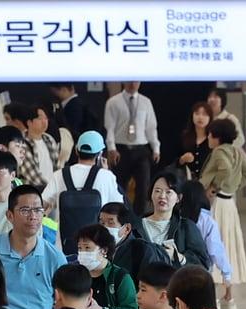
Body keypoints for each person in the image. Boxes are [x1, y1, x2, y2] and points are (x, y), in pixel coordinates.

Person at [41, 131, 124, 238]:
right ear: (99, 155)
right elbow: (120, 207)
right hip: (97, 243)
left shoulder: (59, 174)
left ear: (76, 151)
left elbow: (42, 203)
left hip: (64, 245)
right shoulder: (106, 176)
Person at [199, 118, 246, 284]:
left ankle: (214, 273)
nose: (208, 138)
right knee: (228, 237)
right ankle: (228, 273)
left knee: (214, 238)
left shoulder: (219, 152)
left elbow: (225, 169)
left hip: (218, 202)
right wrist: (234, 185)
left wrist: (214, 187)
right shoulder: (236, 151)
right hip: (229, 201)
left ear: (217, 137)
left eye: (210, 135)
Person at [104, 82, 161, 215]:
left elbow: (151, 128)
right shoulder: (113, 102)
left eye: (136, 81)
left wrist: (156, 148)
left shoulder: (146, 102)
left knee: (143, 187)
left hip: (141, 149)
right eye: (130, 80)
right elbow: (109, 128)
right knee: (118, 187)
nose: (133, 84)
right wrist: (111, 148)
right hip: (120, 149)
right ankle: (120, 216)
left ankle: (139, 219)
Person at [179, 180, 236, 308]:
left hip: (179, 268)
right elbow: (215, 250)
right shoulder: (208, 221)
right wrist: (226, 274)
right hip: (201, 270)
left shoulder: (177, 218)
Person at [141, 170, 210, 268]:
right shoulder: (137, 227)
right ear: (151, 194)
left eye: (168, 192)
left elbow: (203, 264)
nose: (162, 196)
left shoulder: (186, 227)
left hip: (175, 282)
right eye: (157, 191)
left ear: (178, 198)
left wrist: (180, 257)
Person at [177, 101, 213, 180]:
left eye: (204, 114)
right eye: (197, 113)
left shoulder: (213, 139)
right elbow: (173, 162)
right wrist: (182, 160)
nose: (200, 117)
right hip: (186, 182)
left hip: (207, 183)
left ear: (210, 118)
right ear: (192, 116)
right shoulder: (184, 137)